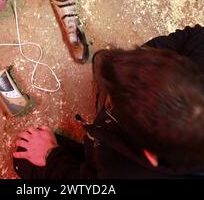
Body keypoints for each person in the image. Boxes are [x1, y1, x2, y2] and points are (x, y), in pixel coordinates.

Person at [13, 25, 204, 178]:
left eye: (114, 104)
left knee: (24, 156)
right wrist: (138, 62)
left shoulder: (126, 172)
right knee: (107, 64)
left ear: (150, 156)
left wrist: (50, 156)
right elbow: (194, 36)